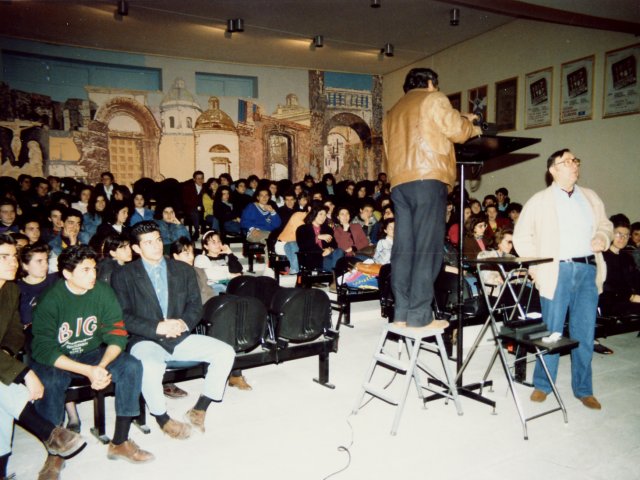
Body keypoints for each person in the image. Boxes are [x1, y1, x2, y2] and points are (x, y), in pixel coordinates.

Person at [30, 245, 154, 472]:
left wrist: (101, 366)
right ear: (67, 274)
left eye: (94, 269)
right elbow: (43, 348)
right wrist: (89, 371)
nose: (93, 275)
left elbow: (117, 334)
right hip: (58, 357)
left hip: (92, 352)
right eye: (85, 270)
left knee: (131, 367)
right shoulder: (51, 298)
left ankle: (120, 441)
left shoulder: (103, 292)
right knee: (52, 382)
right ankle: (55, 450)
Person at [111, 221, 235, 438]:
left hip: (179, 336)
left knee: (225, 352)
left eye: (158, 240)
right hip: (145, 338)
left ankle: (200, 408)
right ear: (136, 248)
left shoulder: (183, 270)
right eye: (148, 242)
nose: (157, 246)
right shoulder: (124, 275)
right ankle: (162, 418)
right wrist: (157, 327)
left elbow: (195, 306)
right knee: (150, 366)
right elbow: (122, 315)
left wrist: (183, 323)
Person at [513, 148, 613, 410]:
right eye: (566, 162)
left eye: (575, 161)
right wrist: (536, 267)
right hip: (557, 271)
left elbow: (606, 225)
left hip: (587, 269)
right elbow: (521, 237)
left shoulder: (590, 197)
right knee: (551, 332)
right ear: (553, 170)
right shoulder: (539, 200)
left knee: (584, 331)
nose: (573, 165)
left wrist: (603, 237)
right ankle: (543, 385)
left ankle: (583, 389)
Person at [382, 67, 480, 328]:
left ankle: (402, 312)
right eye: (435, 85)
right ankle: (420, 315)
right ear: (429, 83)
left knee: (404, 248)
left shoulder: (392, 112)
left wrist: (460, 116)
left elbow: (422, 126)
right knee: (428, 248)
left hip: (401, 183)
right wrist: (471, 125)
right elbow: (458, 132)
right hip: (428, 178)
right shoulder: (434, 98)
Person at [0, 234, 86, 480]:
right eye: (3, 257)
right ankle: (49, 432)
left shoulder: (10, 290)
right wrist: (24, 372)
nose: (12, 262)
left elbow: (15, 331)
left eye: (13, 256)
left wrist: (6, 354)